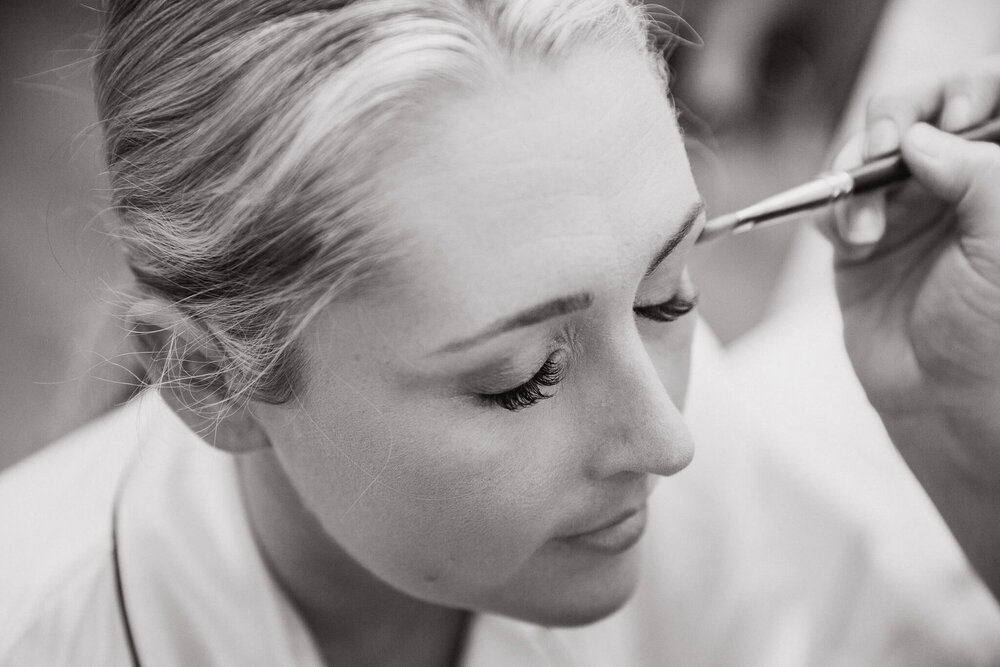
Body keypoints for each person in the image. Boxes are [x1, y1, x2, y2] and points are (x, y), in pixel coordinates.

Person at [1, 1, 999, 664]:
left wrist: (966, 435)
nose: (668, 442)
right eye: (523, 376)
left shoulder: (714, 476)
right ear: (211, 377)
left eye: (665, 294)